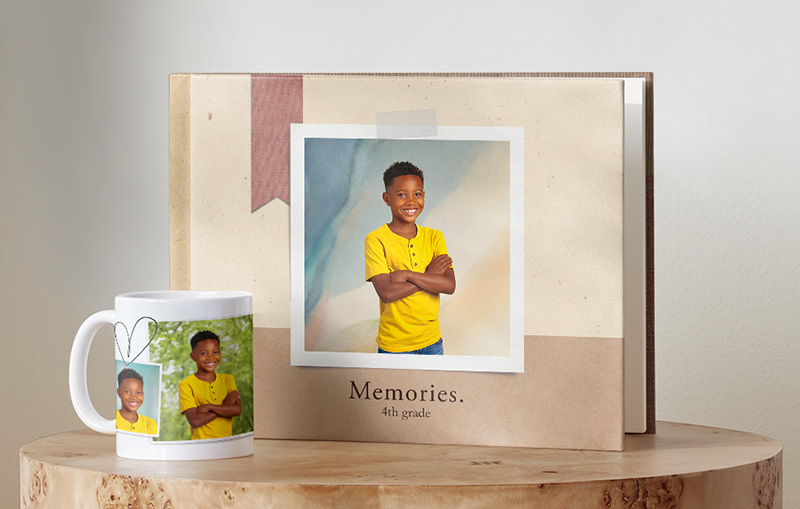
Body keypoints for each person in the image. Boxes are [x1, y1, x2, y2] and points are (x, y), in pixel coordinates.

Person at [364, 161, 456, 355]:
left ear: (423, 196)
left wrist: (407, 274)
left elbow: (449, 286)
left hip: (433, 343)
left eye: (417, 194)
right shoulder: (376, 239)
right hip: (395, 347)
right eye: (401, 194)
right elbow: (387, 293)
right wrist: (429, 276)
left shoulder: (434, 237)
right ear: (387, 198)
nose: (411, 201)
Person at [178, 330, 241, 440]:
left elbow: (237, 410)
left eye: (215, 352)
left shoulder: (228, 380)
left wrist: (209, 407)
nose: (211, 357)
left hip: (227, 442)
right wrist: (225, 407)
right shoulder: (186, 384)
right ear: (193, 356)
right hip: (201, 445)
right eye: (204, 353)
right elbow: (195, 421)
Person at [115, 368, 158, 435]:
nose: (134, 397)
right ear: (119, 392)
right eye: (127, 391)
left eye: (138, 392)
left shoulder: (150, 423)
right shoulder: (114, 419)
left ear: (143, 394)